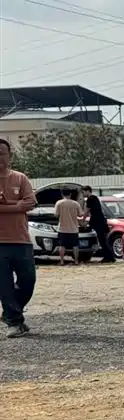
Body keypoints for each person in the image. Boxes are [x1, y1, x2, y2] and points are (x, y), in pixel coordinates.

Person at [0, 137, 37, 338]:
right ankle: (14, 322)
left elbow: (30, 202)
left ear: (9, 156)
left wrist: (9, 208)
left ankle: (9, 313)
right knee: (4, 285)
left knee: (28, 280)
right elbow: (21, 206)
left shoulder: (20, 178)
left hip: (21, 240)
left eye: (2, 153)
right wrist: (15, 207)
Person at [81, 186, 115, 263]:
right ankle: (110, 257)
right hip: (101, 221)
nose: (83, 194)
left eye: (83, 192)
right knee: (103, 240)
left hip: (98, 222)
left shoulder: (90, 199)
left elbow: (86, 211)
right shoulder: (95, 198)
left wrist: (83, 220)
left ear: (87, 191)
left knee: (102, 240)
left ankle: (109, 257)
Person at [54, 187, 84, 265]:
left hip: (62, 228)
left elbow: (56, 215)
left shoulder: (59, 203)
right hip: (74, 229)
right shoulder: (75, 203)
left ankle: (61, 261)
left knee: (62, 245)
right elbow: (80, 214)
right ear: (70, 194)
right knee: (75, 245)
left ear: (62, 194)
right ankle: (76, 261)